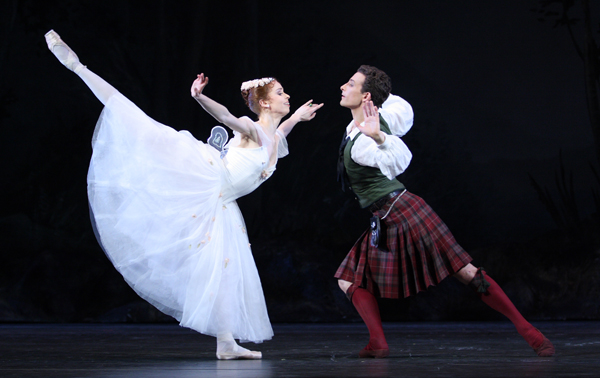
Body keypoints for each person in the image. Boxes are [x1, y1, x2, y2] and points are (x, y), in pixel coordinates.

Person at [44, 30, 323, 360]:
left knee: (226, 271)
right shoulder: (252, 128)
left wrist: (297, 118)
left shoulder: (272, 136)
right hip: (204, 174)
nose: (287, 95)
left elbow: (280, 133)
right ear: (265, 102)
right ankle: (78, 66)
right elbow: (226, 117)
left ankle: (225, 343)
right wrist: (199, 98)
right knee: (142, 127)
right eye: (281, 92)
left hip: (221, 202)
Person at [334, 65, 554, 358]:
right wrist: (377, 102)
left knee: (465, 271)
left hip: (401, 209)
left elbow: (400, 160)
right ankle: (378, 342)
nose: (342, 87)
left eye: (351, 84)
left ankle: (531, 333)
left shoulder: (365, 141)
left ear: (365, 97)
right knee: (349, 277)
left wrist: (379, 137)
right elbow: (400, 106)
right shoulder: (369, 122)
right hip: (386, 215)